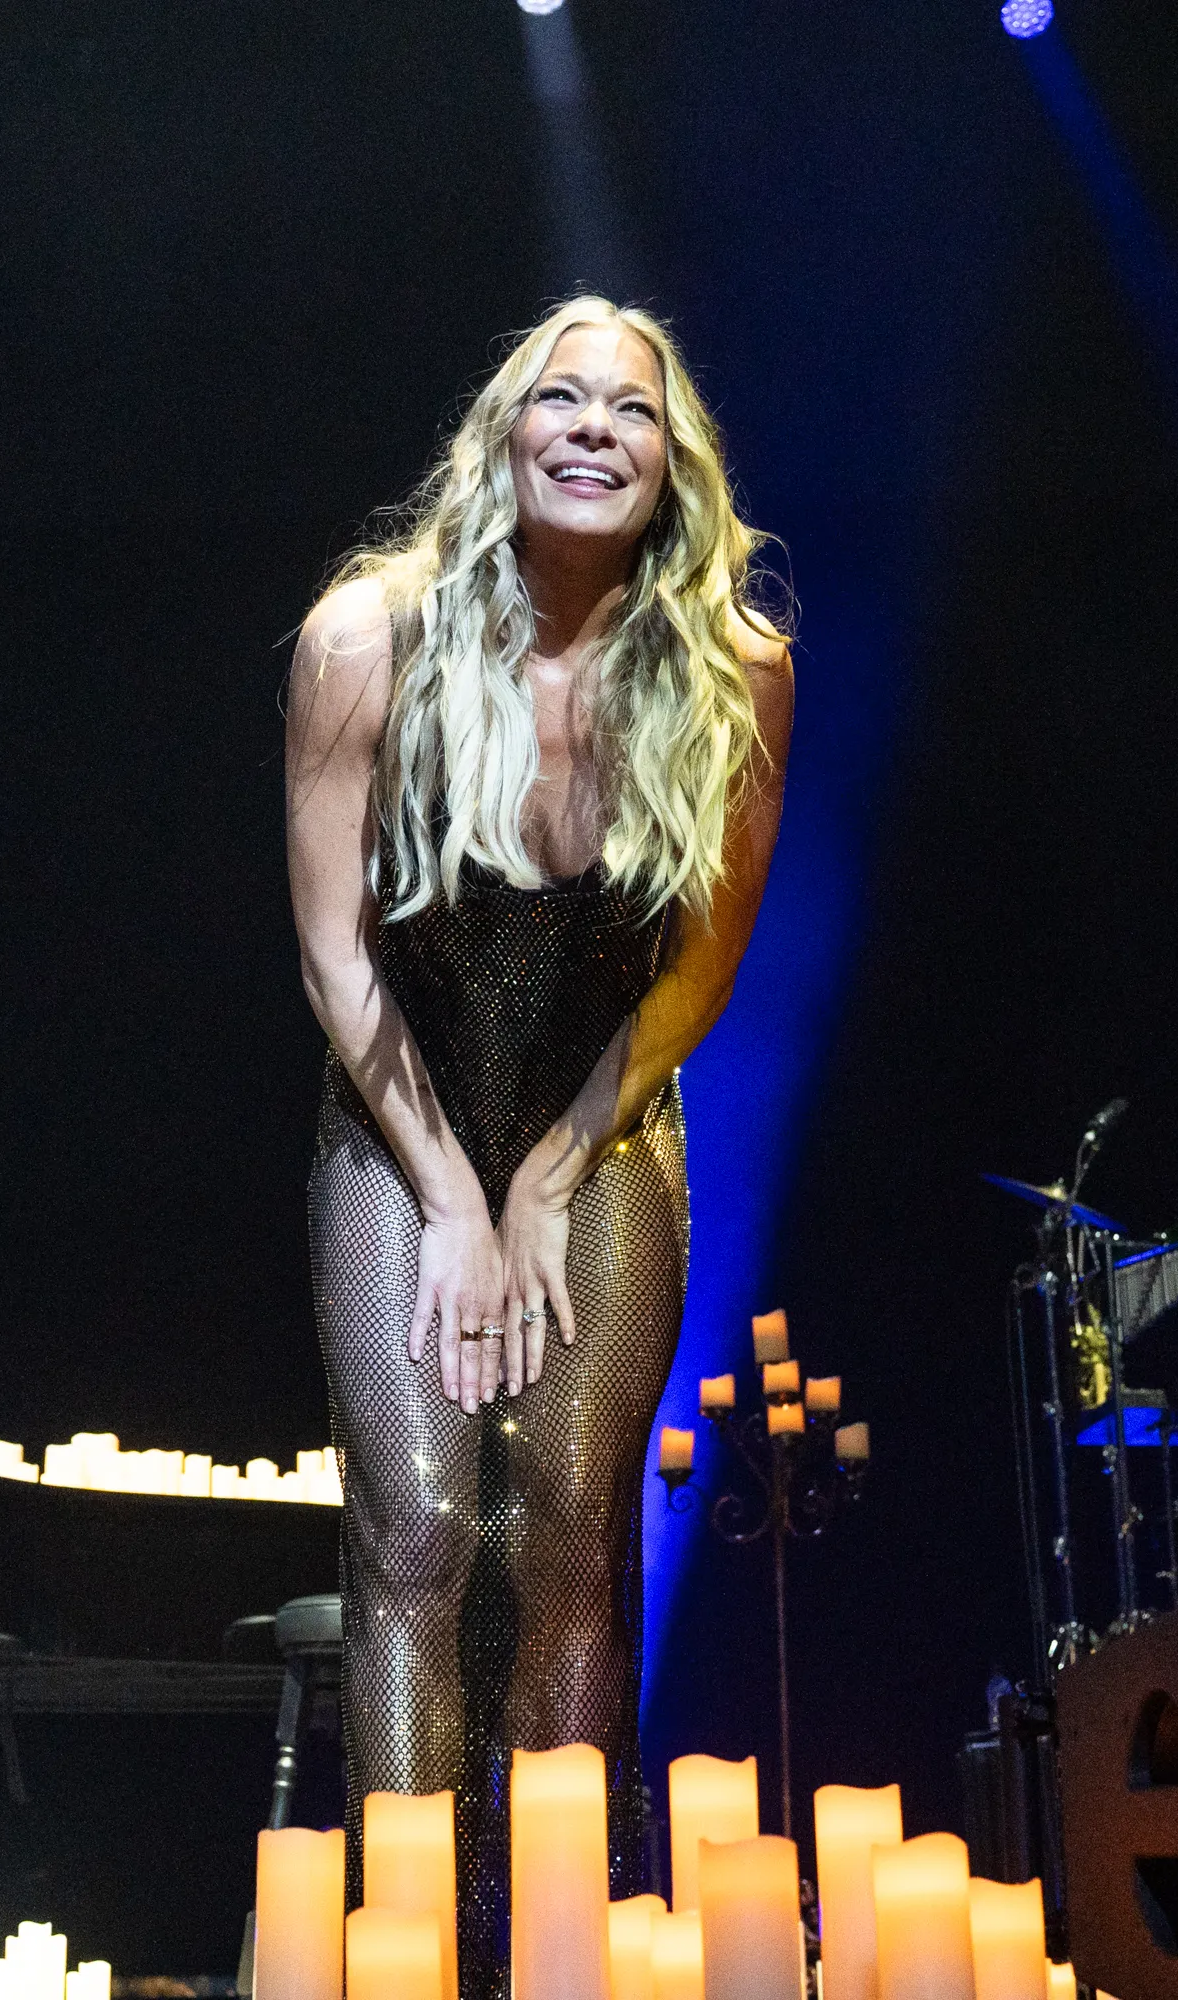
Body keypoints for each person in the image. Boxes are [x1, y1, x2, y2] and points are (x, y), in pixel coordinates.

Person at [283, 297, 793, 1988]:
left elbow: (702, 969)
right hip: (401, 1112)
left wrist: (558, 1169)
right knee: (422, 1529)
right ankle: (414, 1957)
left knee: (569, 1526)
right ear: (501, 441)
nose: (592, 428)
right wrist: (451, 1196)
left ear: (674, 465)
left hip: (603, 1113)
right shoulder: (371, 637)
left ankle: (549, 1962)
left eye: (629, 411)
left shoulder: (739, 669)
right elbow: (338, 954)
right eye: (557, 401)